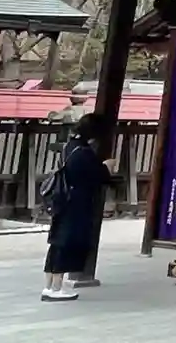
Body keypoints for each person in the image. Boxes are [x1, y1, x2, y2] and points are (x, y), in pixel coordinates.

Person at [42, 112, 116, 302]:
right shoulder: (84, 153)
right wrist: (107, 167)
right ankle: (57, 287)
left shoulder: (69, 146)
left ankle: (49, 286)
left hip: (62, 200)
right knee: (66, 243)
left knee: (56, 243)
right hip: (75, 204)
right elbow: (97, 176)